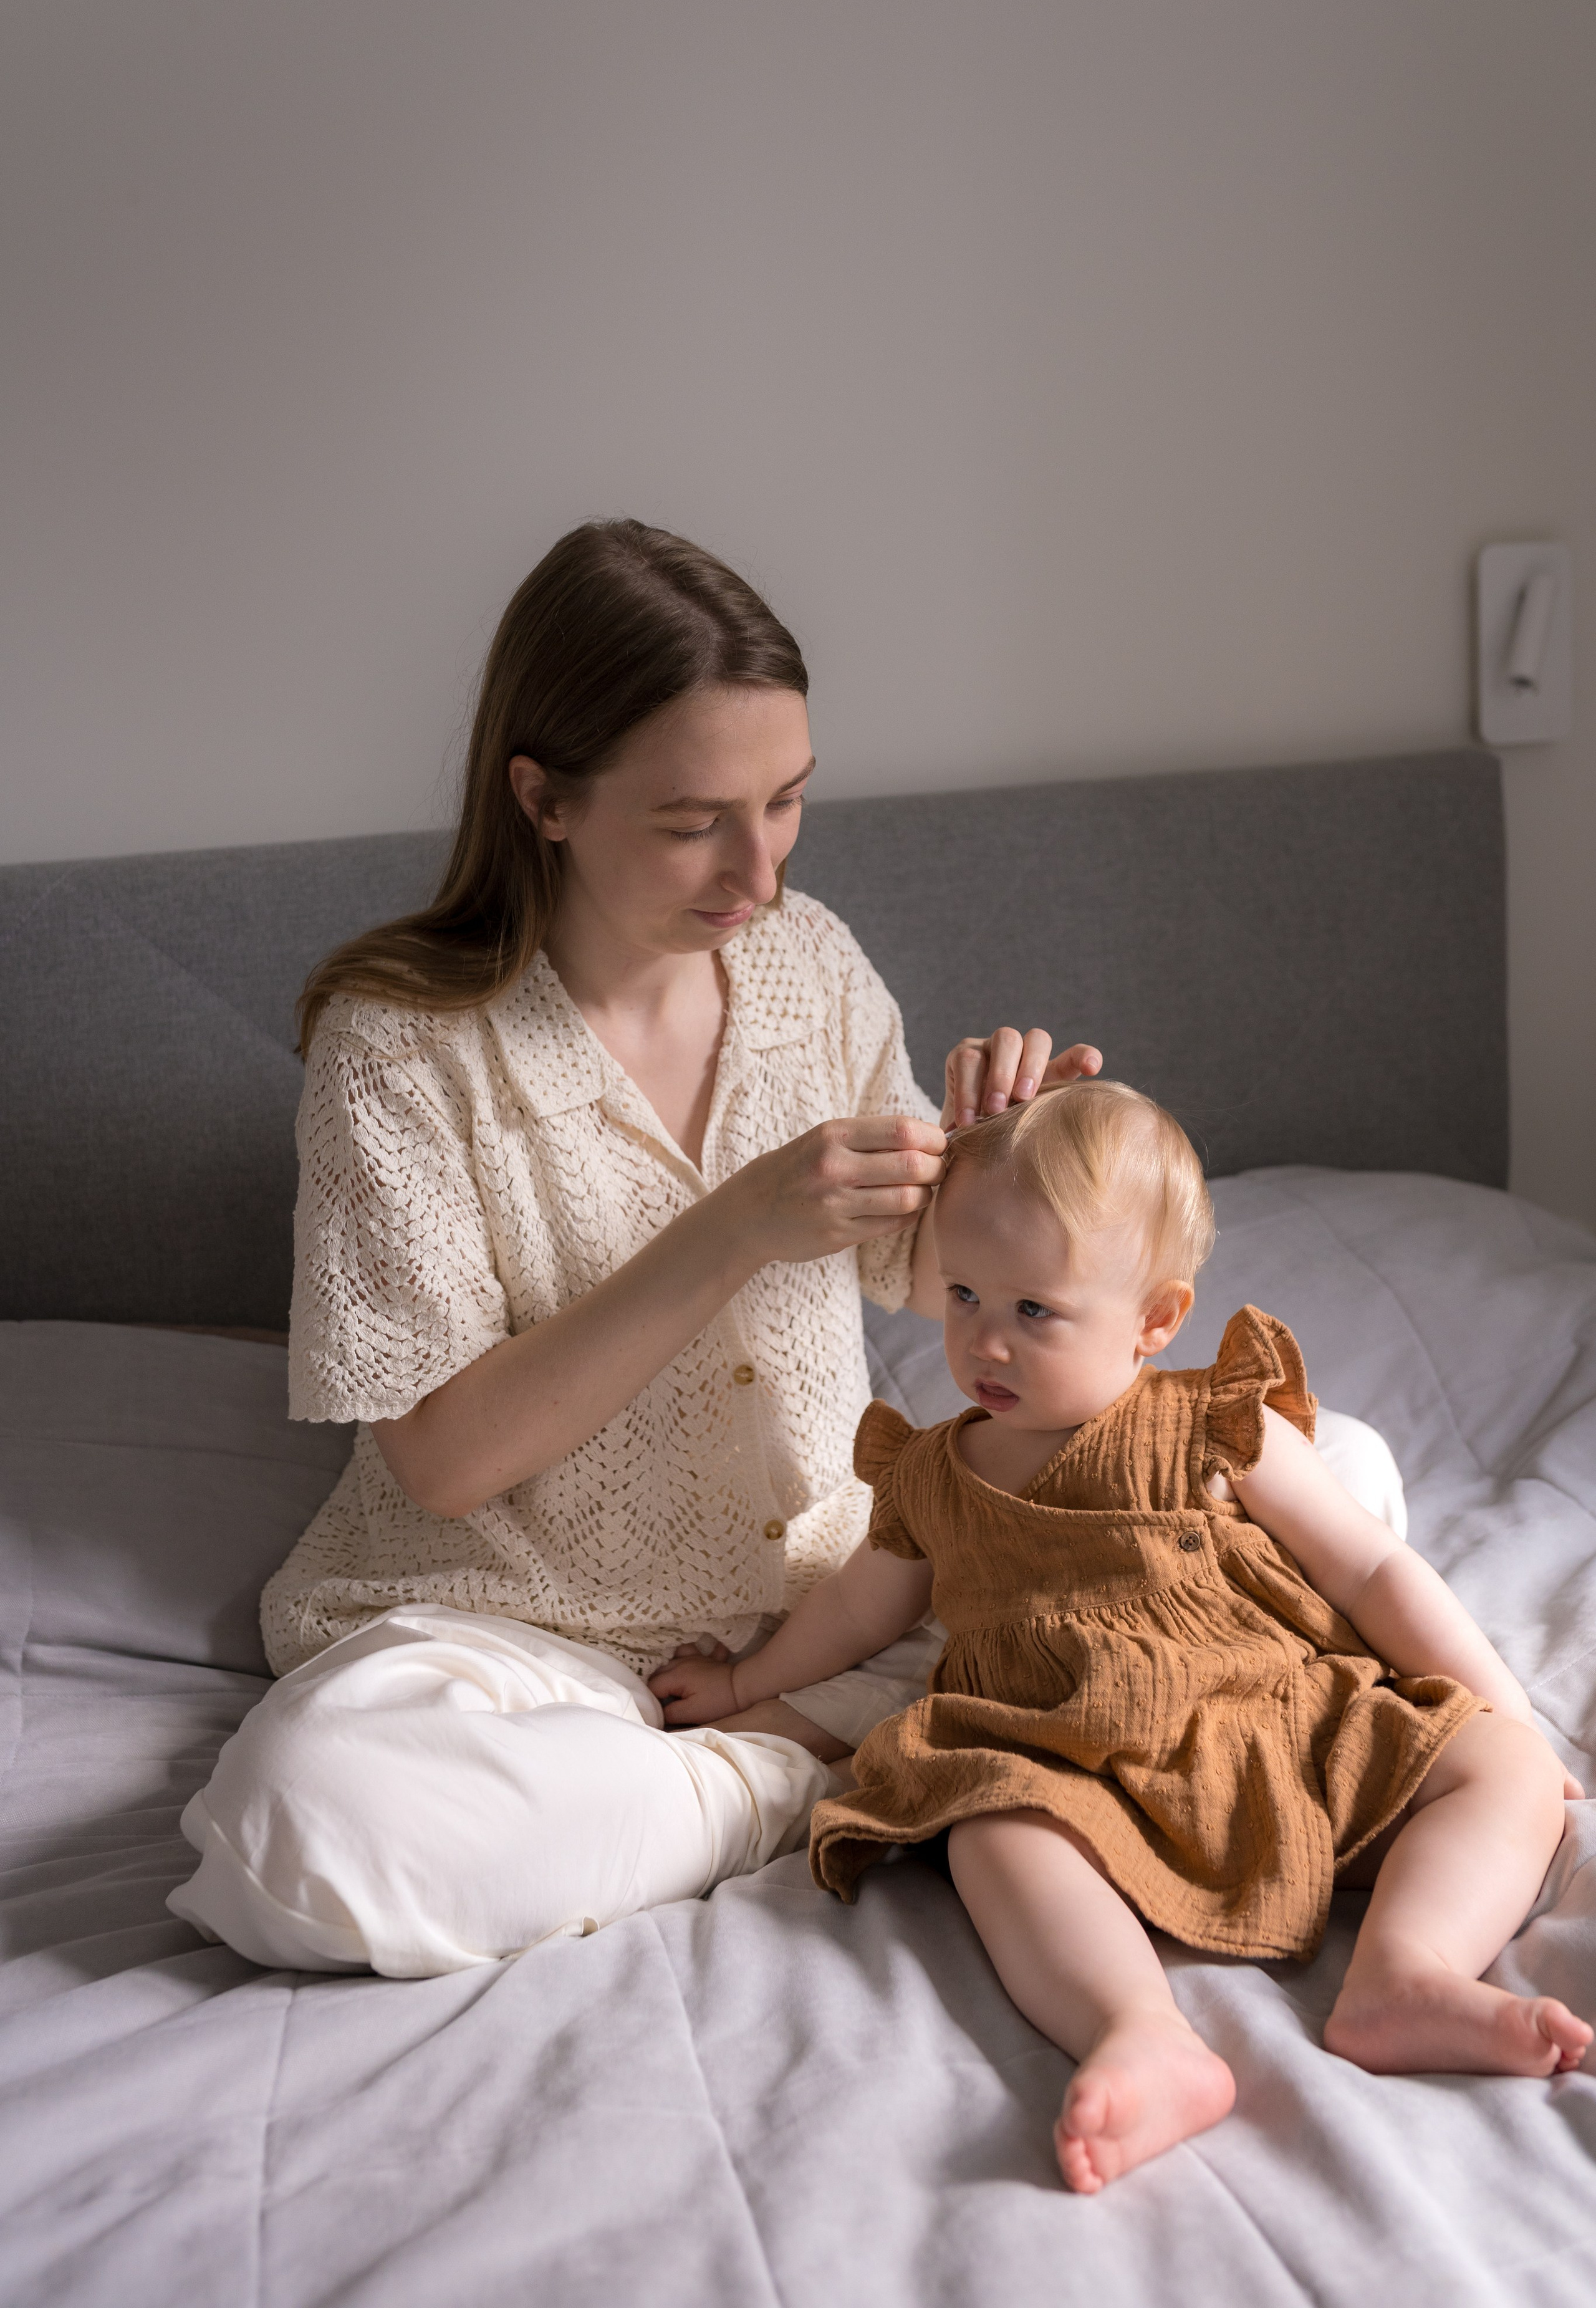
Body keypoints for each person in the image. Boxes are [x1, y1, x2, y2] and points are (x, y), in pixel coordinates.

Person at [166, 517, 1100, 1975]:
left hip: (829, 1612)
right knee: (306, 1823)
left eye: (785, 802)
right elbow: (444, 1458)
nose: (757, 874)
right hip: (521, 1639)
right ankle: (780, 1778)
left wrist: (1003, 1169)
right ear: (542, 798)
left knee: (1281, 1487)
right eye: (692, 822)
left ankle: (802, 1730)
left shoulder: (808, 965)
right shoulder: (399, 1047)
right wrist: (729, 1228)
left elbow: (923, 1278)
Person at [651, 1081, 1590, 2195]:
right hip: (1070, 1760)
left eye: (1034, 1311)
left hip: (1280, 1733)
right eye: (961, 1294)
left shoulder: (1213, 1425)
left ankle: (1405, 1974)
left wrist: (1500, 1703)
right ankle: (1140, 2031)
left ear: (1155, 1321)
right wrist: (750, 1678)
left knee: (1502, 1766)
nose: (984, 1340)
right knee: (987, 1825)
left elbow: (1373, 1566)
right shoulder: (930, 1476)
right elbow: (864, 1608)